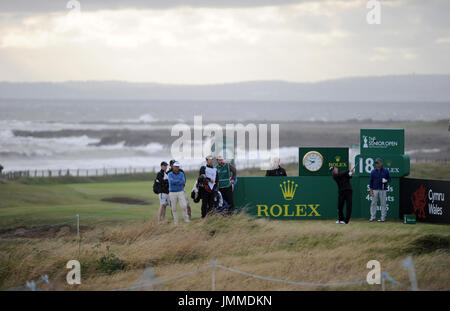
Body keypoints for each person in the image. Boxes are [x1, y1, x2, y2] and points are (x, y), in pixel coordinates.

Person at [369, 158, 391, 222]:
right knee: (373, 203)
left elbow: (389, 179)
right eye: (376, 163)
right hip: (375, 189)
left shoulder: (386, 170)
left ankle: (383, 218)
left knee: (383, 203)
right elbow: (371, 181)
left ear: (381, 163)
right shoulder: (373, 171)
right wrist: (371, 190)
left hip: (383, 189)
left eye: (378, 163)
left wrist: (386, 180)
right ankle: (372, 217)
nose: (377, 164)